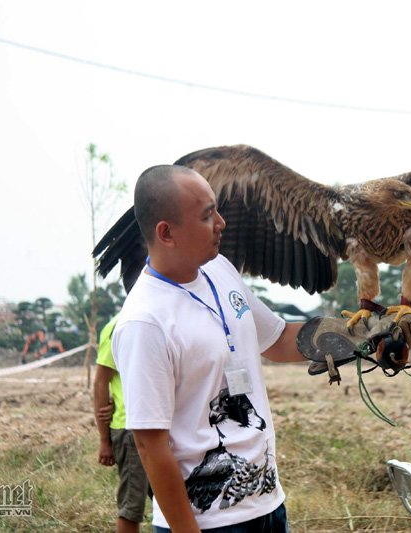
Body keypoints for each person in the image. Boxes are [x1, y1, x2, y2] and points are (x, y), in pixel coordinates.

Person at [112, 165, 306, 532]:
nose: (222, 223)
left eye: (217, 210)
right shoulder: (145, 322)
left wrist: (362, 337)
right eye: (206, 216)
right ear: (166, 233)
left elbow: (279, 340)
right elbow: (151, 447)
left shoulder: (221, 271)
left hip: (267, 506)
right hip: (208, 522)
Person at [94, 312, 152, 533]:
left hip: (162, 427)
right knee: (131, 508)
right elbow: (101, 382)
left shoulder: (162, 317)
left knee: (171, 503)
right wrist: (104, 440)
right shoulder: (119, 325)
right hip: (130, 429)